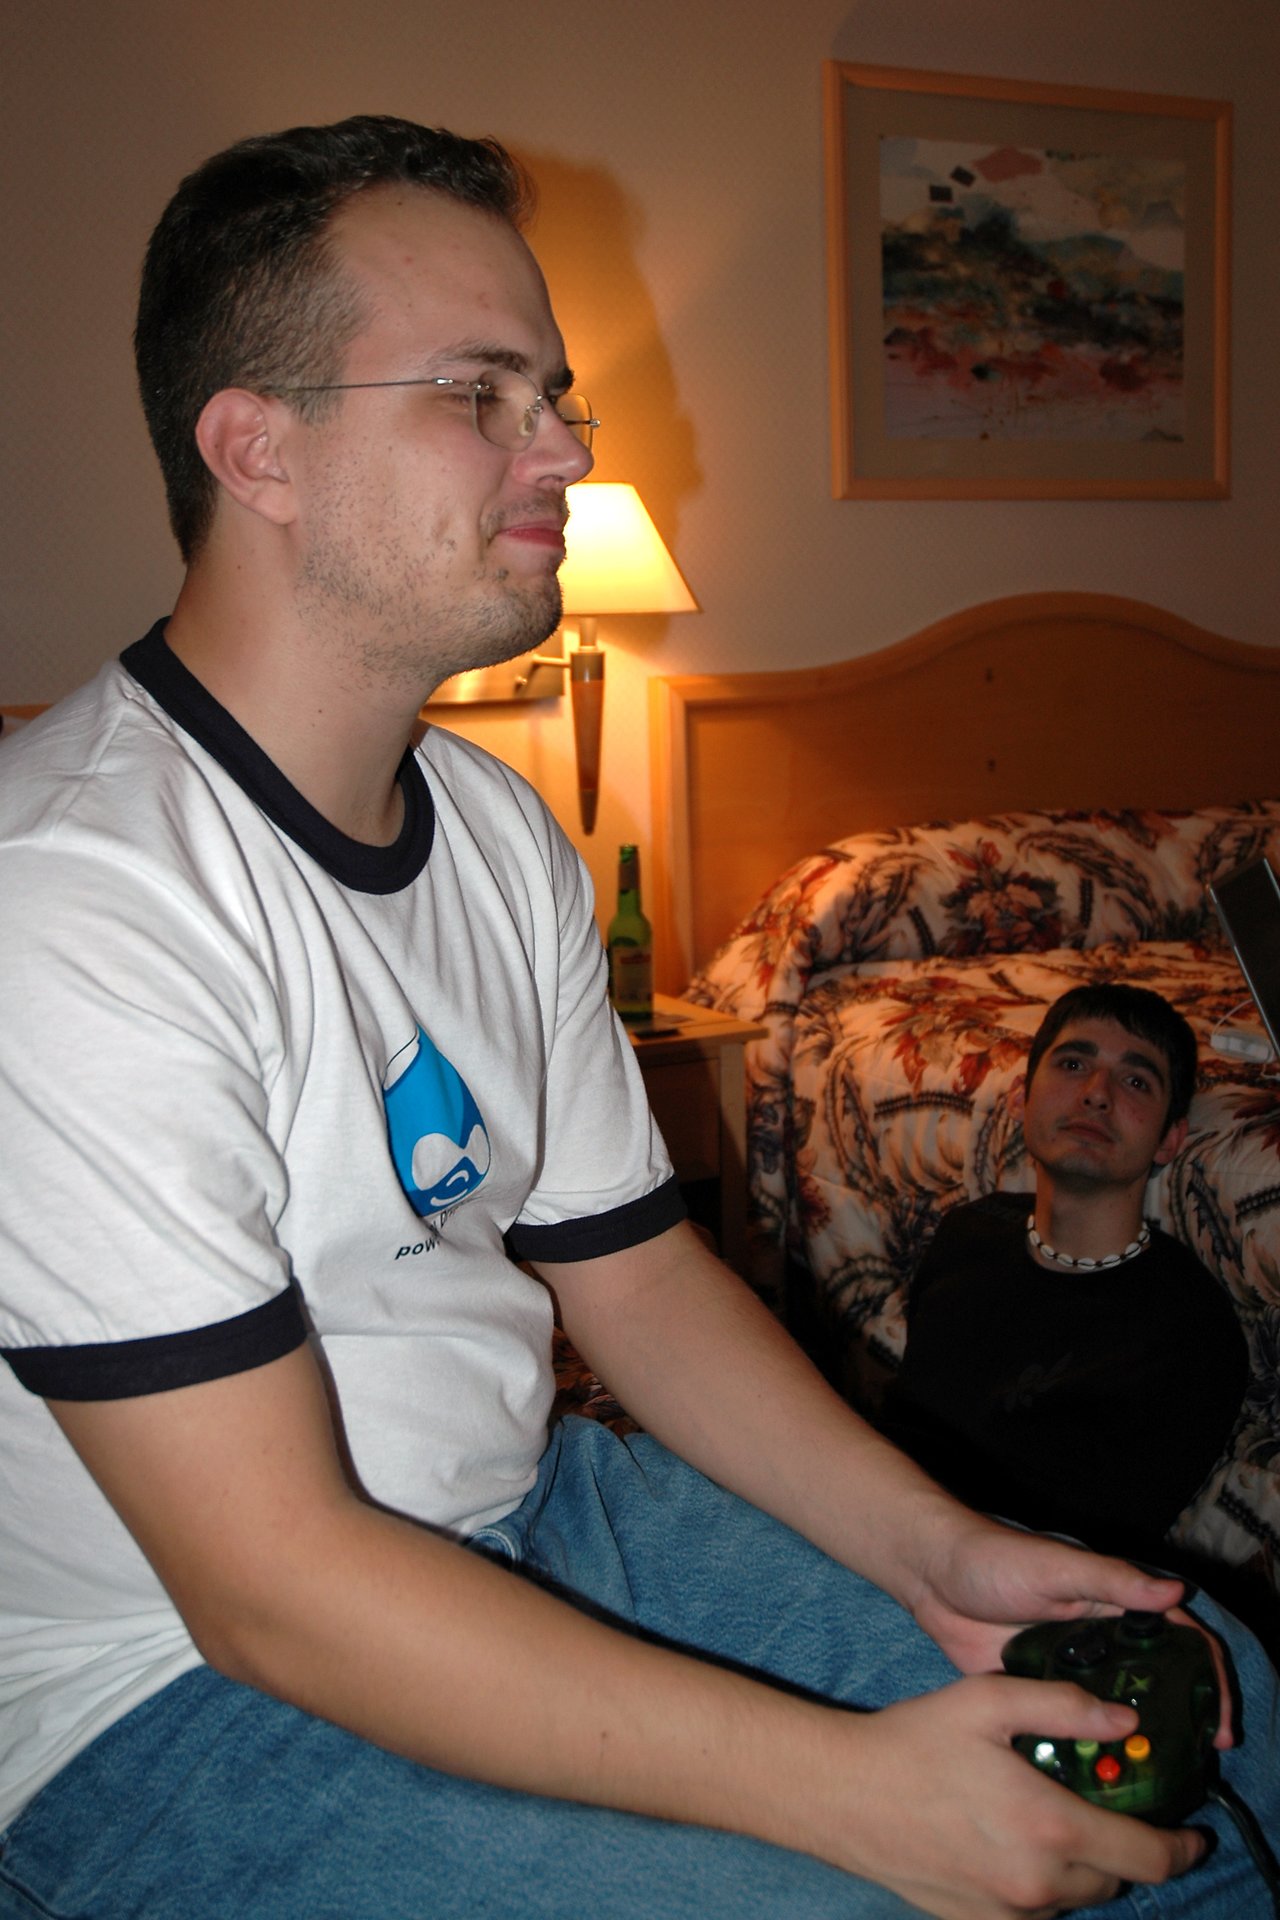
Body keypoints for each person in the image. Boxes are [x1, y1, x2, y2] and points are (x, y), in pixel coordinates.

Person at [0, 117, 1275, 1920]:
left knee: (1217, 1716)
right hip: (158, 1698)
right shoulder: (70, 897)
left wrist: (947, 1549)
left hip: (534, 1513)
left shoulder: (501, 831)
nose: (573, 446)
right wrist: (845, 1795)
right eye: (488, 393)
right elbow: (270, 1586)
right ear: (256, 449)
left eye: (563, 394)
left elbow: (645, 1282)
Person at [879, 986, 1251, 1571]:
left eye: (1135, 1082)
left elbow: (1100, 1551)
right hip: (872, 1536)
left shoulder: (1187, 1332)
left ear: (1170, 1139)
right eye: (1073, 1064)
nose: (1096, 1094)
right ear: (1024, 1099)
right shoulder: (968, 1233)